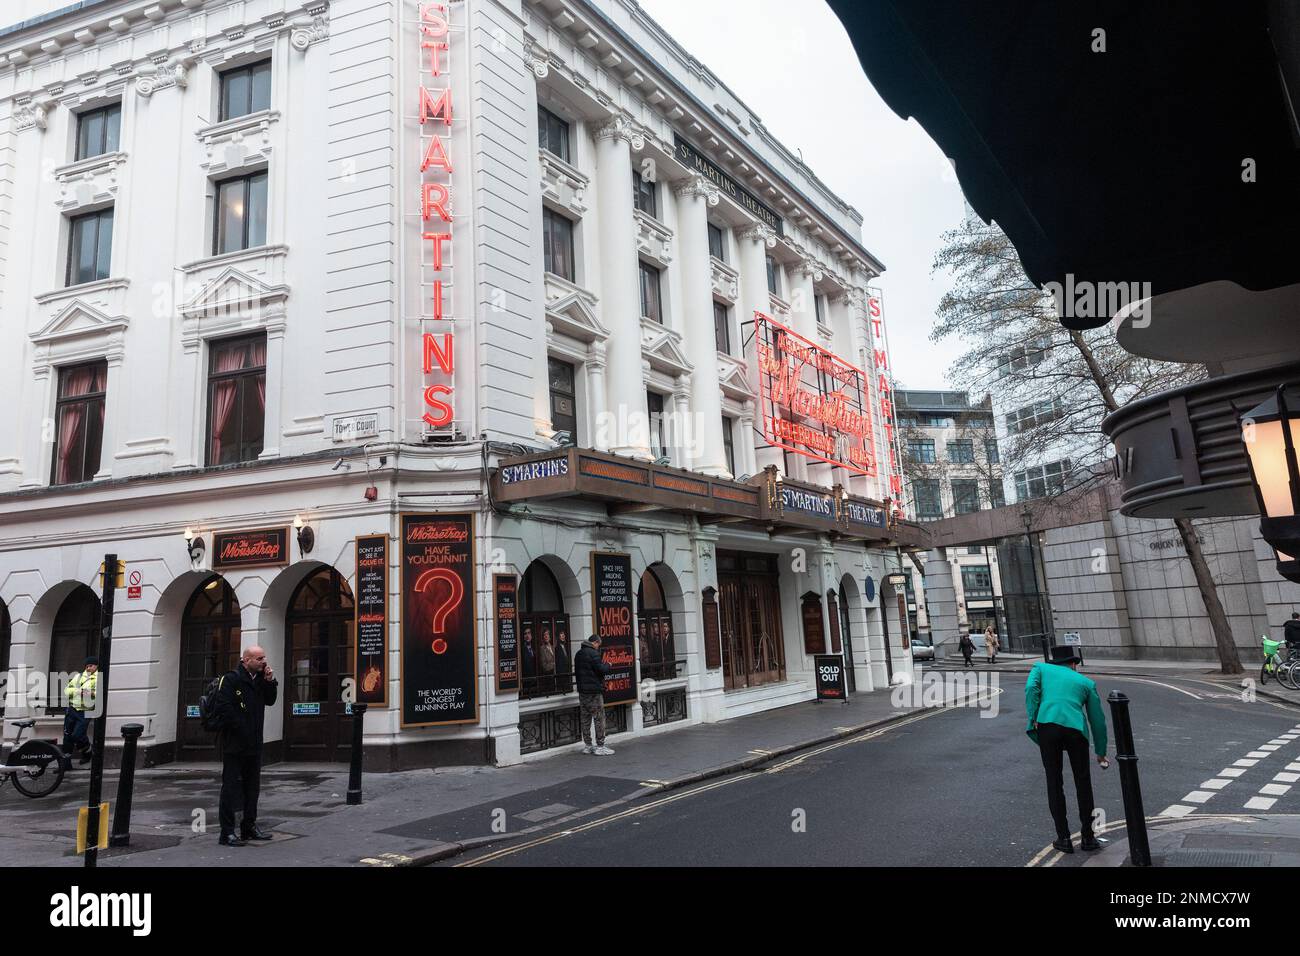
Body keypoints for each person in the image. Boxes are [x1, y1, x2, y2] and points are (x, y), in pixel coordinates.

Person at [1025, 645, 1109, 854]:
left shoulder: (1041, 669)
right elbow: (1097, 720)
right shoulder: (1086, 682)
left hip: (1048, 726)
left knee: (1054, 781)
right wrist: (1100, 751)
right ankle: (1088, 838)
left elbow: (1030, 690)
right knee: (1083, 782)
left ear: (1056, 662)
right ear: (1073, 664)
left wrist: (1034, 716)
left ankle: (1063, 838)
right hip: (1075, 731)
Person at [213, 645, 278, 847]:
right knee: (230, 787)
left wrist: (270, 682)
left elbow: (271, 701)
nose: (263, 661)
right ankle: (227, 832)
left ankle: (249, 826)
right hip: (235, 743)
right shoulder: (231, 679)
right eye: (259, 658)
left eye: (264, 657)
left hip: (254, 744)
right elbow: (224, 709)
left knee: (252, 787)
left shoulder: (259, 680)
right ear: (246, 660)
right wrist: (242, 730)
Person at [574, 633, 613, 755]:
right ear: (595, 642)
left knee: (585, 719)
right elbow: (601, 669)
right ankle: (600, 746)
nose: (598, 647)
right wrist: (608, 665)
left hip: (582, 692)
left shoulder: (578, 654)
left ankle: (588, 745)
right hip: (594, 692)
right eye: (598, 645)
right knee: (599, 718)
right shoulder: (593, 653)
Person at [62, 656, 99, 764]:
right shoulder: (78, 677)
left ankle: (87, 753)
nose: (88, 668)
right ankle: (65, 764)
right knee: (67, 736)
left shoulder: (98, 679)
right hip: (72, 709)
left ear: (96, 666)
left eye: (91, 665)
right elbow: (67, 690)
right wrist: (79, 691)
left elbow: (97, 694)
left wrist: (86, 693)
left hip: (85, 711)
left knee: (78, 735)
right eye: (87, 666)